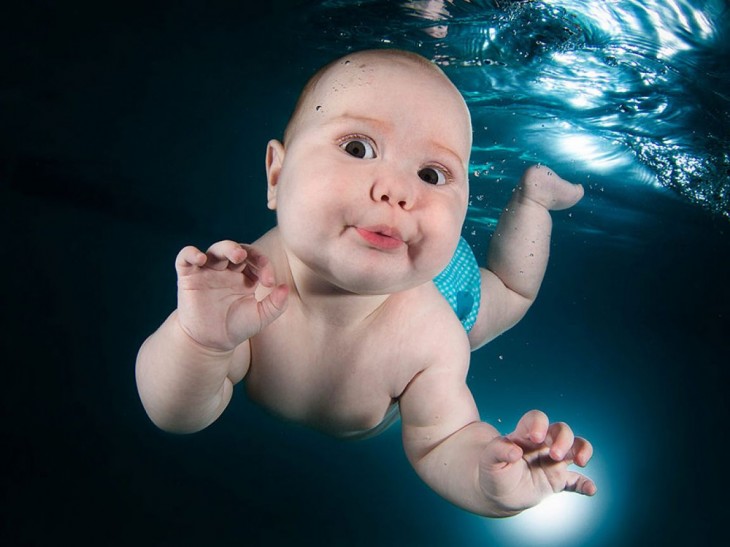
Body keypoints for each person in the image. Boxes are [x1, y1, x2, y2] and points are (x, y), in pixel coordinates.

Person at [135, 48, 596, 517]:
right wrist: (200, 341)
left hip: (444, 284)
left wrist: (488, 477)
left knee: (510, 292)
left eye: (432, 175)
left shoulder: (432, 339)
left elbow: (443, 440)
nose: (398, 190)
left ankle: (533, 199)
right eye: (358, 148)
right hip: (402, 244)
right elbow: (174, 414)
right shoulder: (241, 291)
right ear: (277, 174)